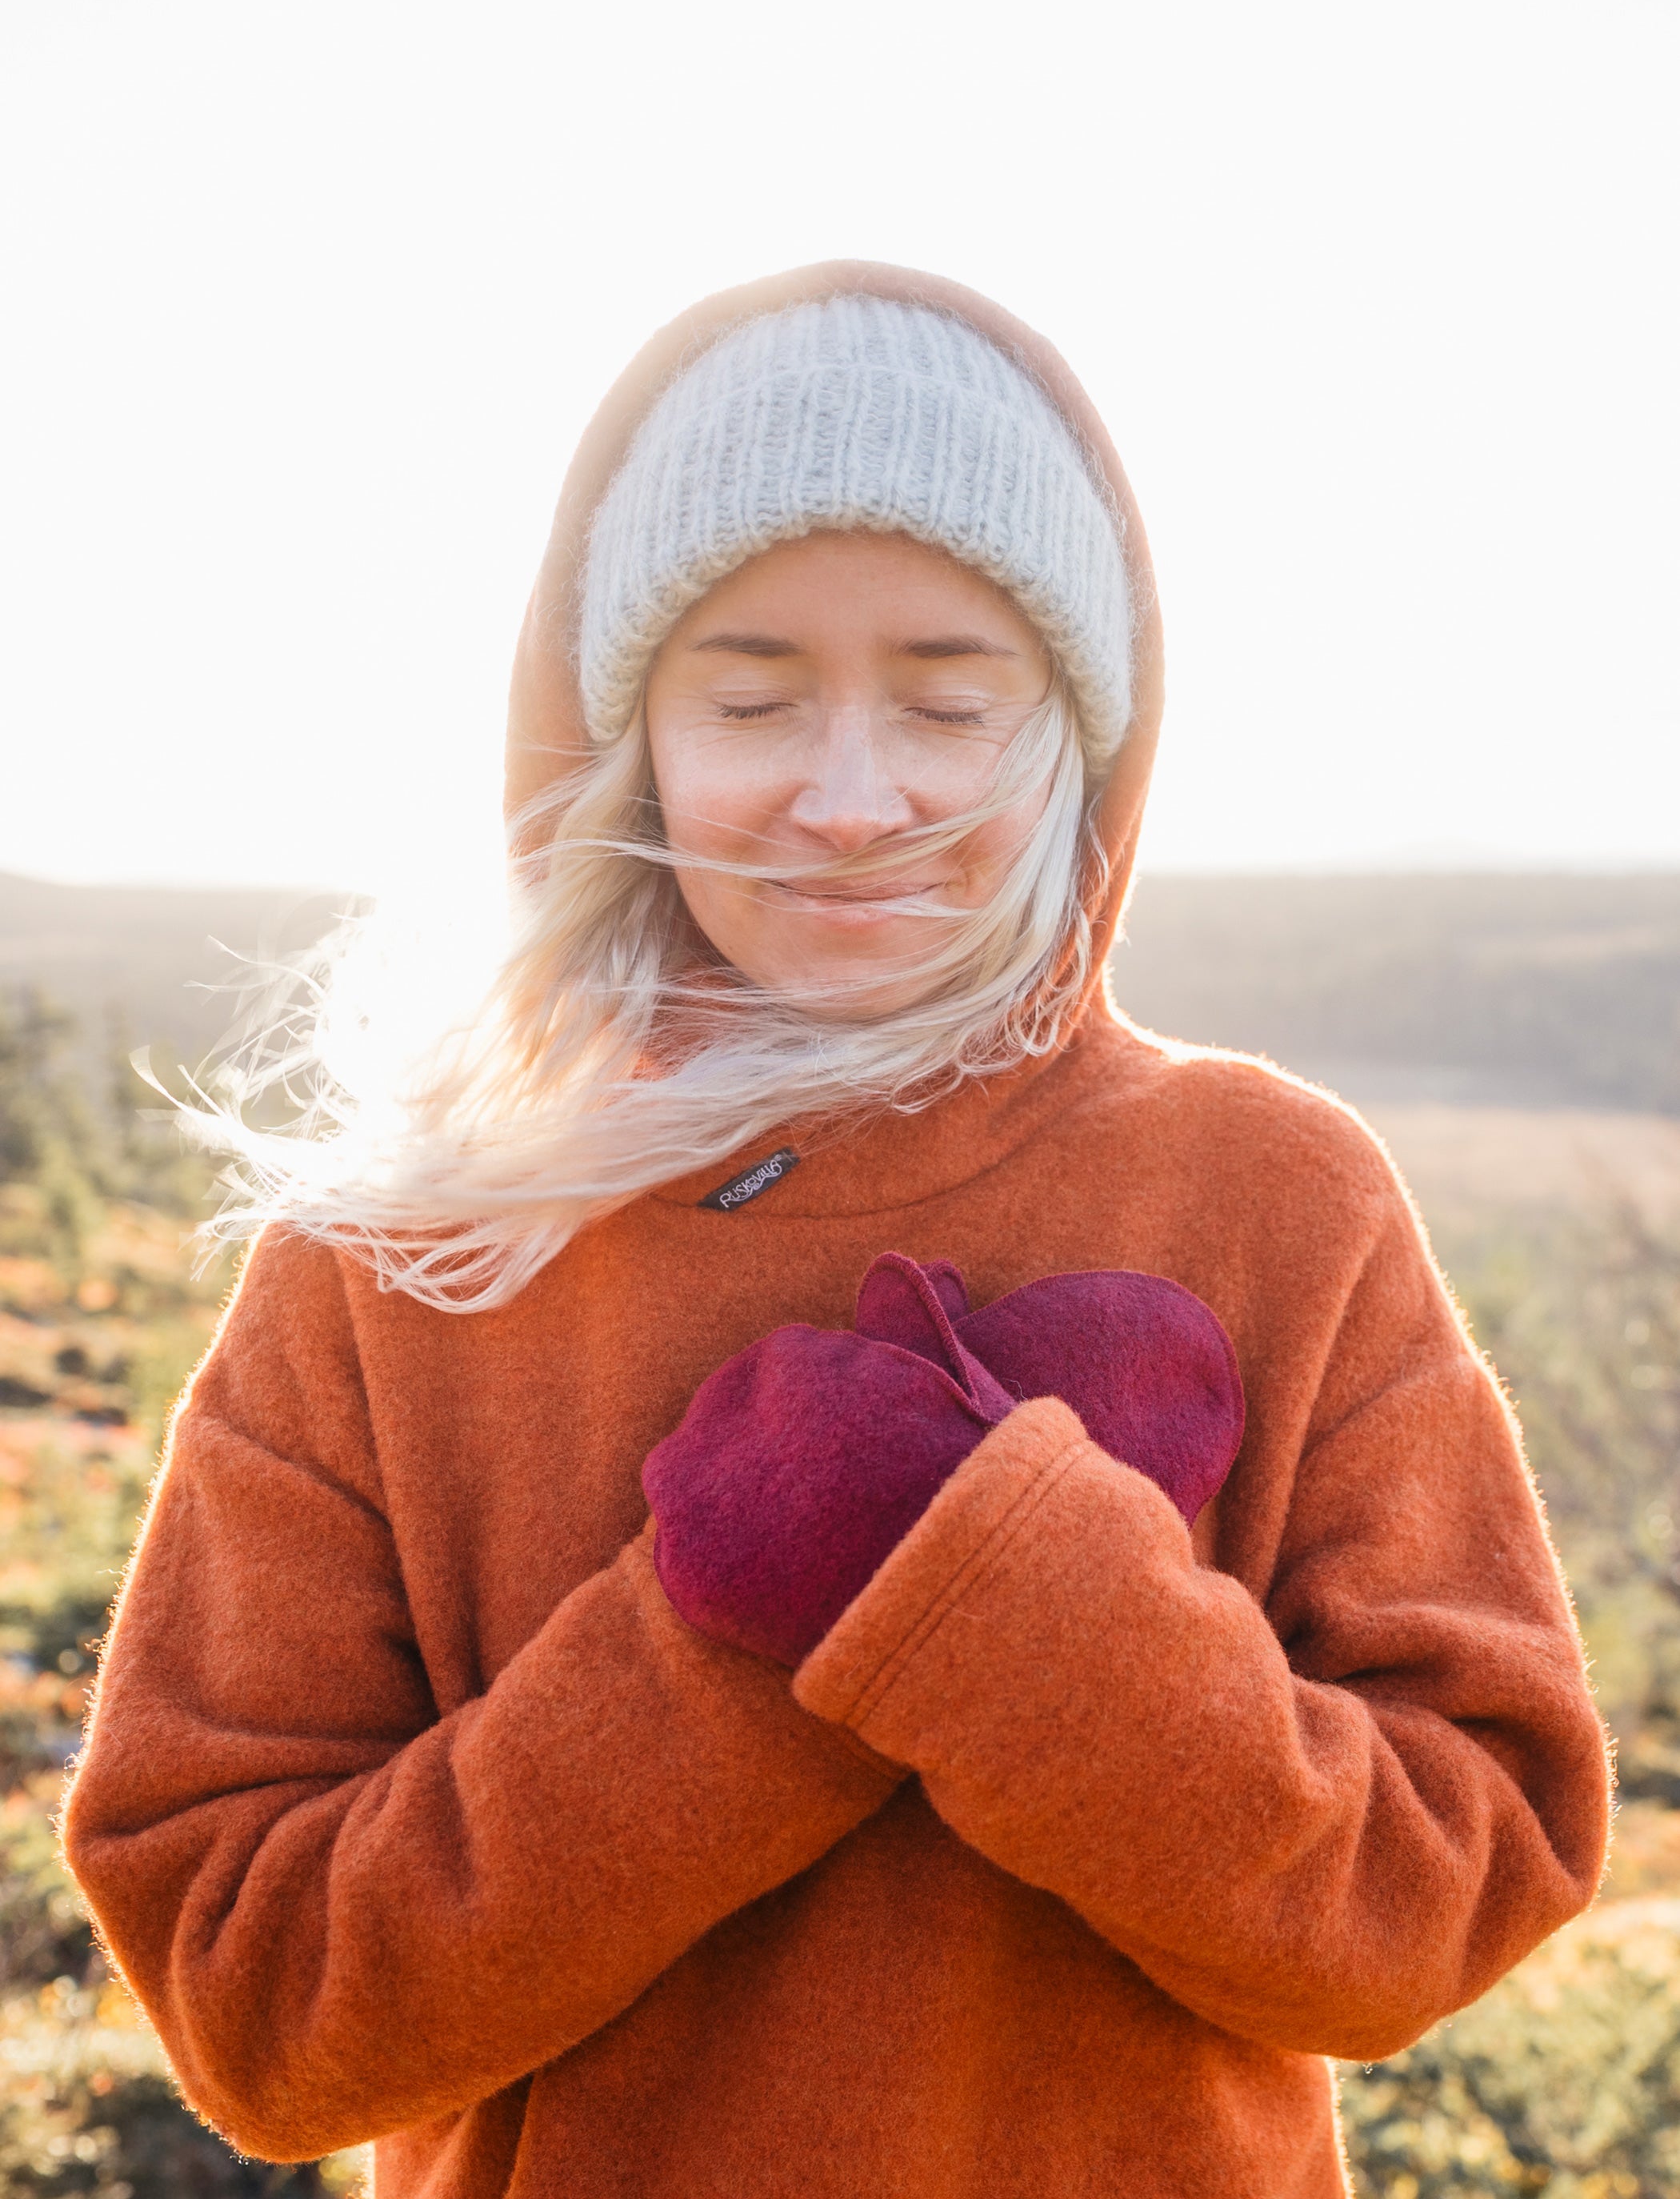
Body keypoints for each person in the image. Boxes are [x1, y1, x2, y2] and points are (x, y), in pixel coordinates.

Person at [62, 262, 1610, 2199]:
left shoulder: (1275, 1197)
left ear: (1076, 736)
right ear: (627, 735)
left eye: (951, 698)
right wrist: (717, 1643)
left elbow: (1453, 1886)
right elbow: (256, 2006)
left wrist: (1024, 1603)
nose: (853, 796)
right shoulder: (413, 1255)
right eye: (752, 696)